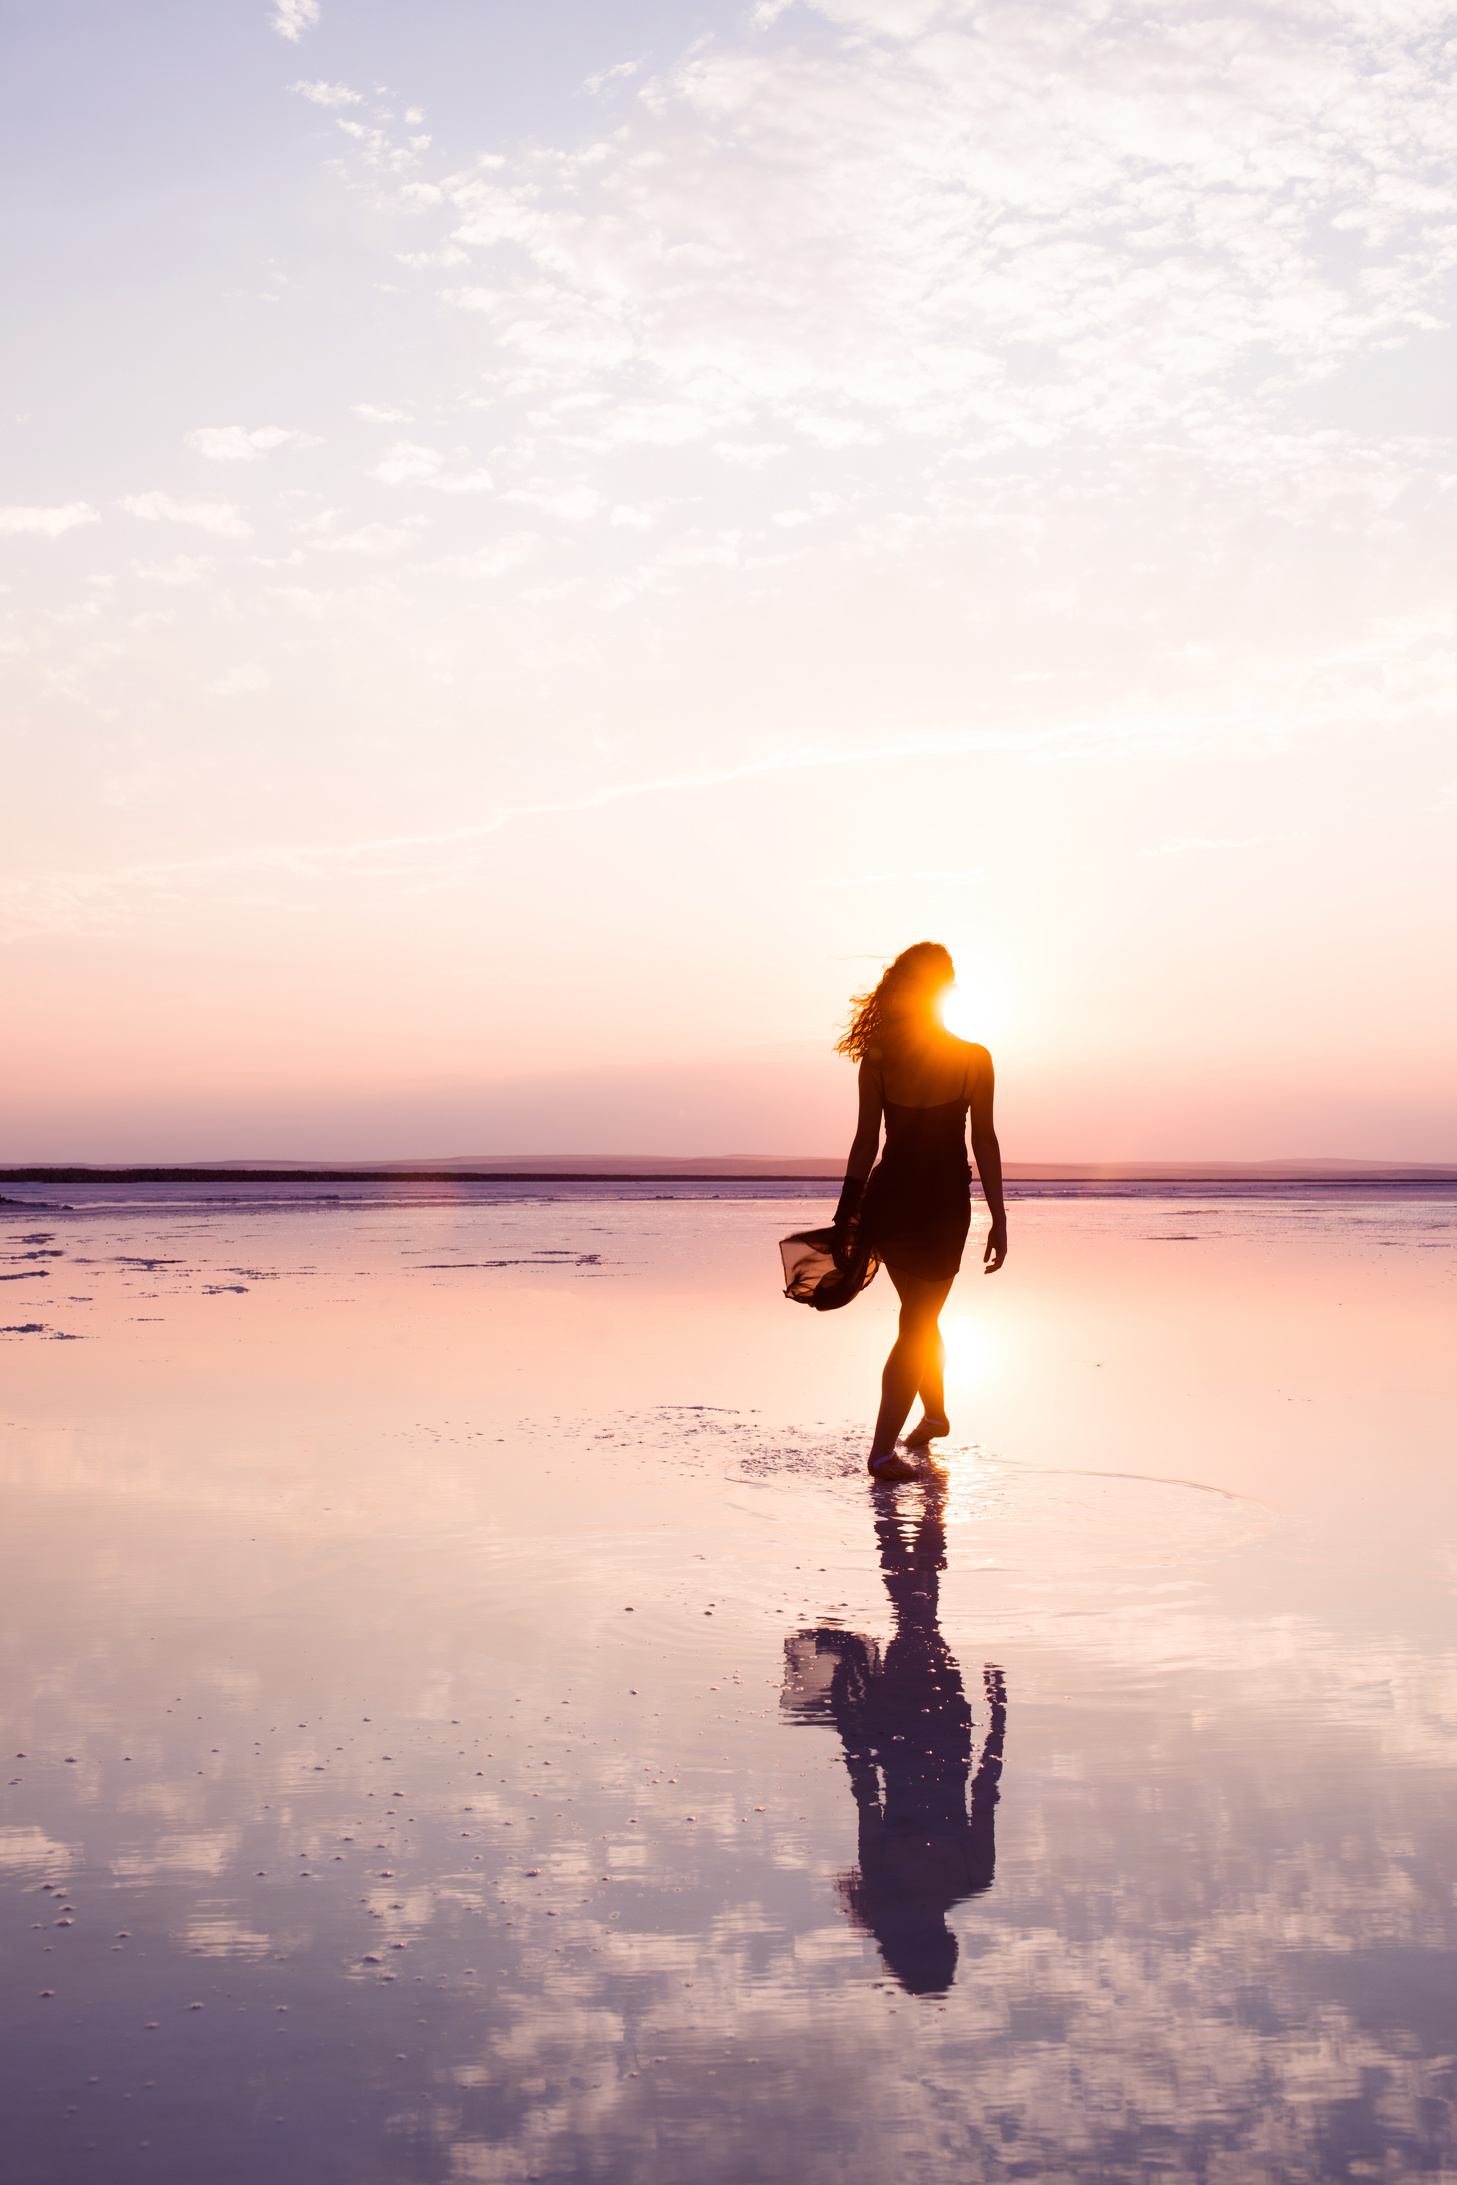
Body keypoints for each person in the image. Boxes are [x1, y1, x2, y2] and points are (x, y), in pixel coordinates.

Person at [780, 1477, 1007, 1995]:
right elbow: (982, 1790)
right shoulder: (968, 1877)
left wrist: (851, 1722)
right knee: (917, 1613)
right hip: (931, 1728)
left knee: (918, 1614)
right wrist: (998, 1712)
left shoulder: (935, 1879)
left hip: (917, 1729)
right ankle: (912, 1509)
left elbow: (869, 1794)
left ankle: (916, 1507)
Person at [833, 941, 1006, 1482]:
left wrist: (848, 1213)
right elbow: (985, 1143)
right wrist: (999, 1216)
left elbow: (866, 1145)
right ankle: (882, 1452)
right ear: (946, 989)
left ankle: (933, 1414)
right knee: (918, 1323)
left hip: (892, 1202)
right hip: (940, 1208)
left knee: (919, 1319)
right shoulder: (974, 1059)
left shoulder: (879, 1059)